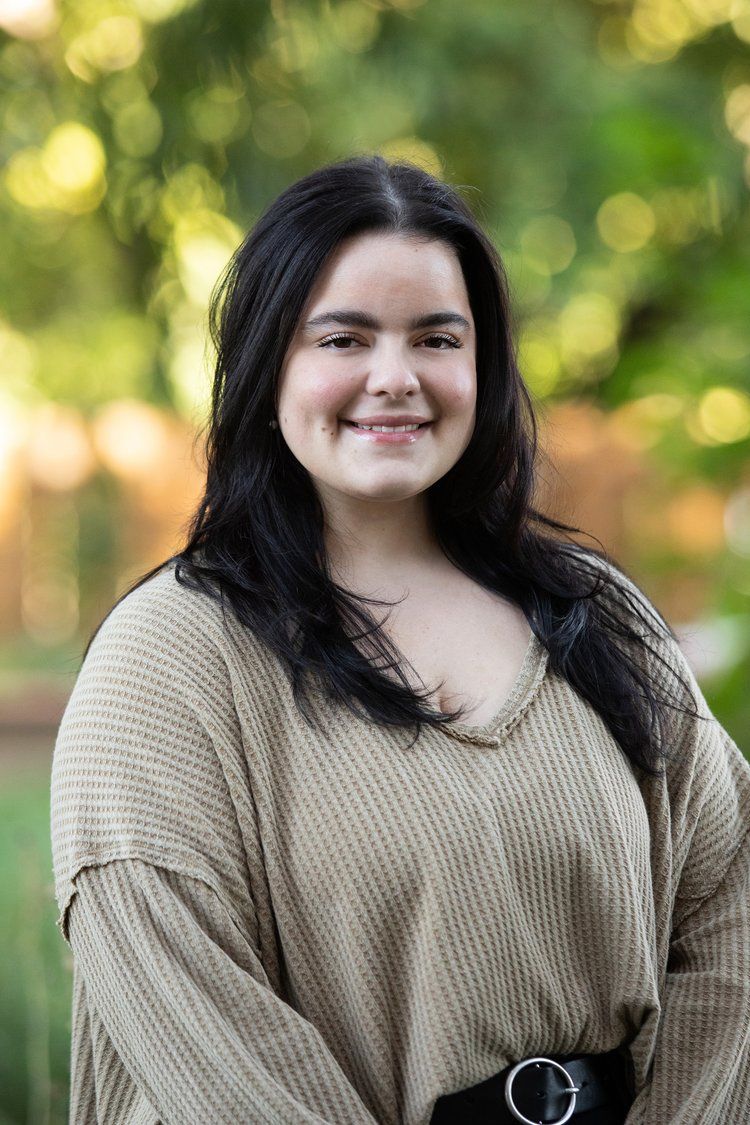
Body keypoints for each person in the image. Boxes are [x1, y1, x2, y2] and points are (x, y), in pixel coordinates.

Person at [50, 154, 750, 1125]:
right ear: (267, 365)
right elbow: (202, 1033)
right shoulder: (168, 664)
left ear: (483, 365)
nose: (394, 378)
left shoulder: (603, 616)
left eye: (435, 337)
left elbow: (730, 906)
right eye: (342, 338)